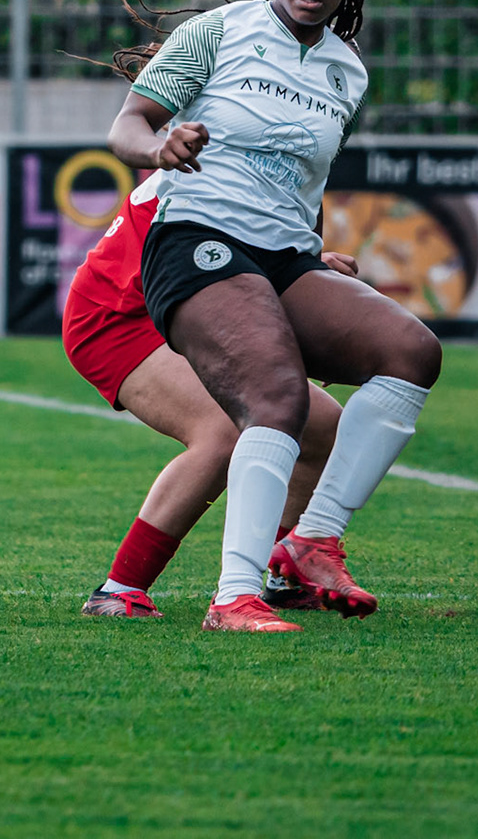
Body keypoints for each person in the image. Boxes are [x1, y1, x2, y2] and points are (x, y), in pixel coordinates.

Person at [106, 0, 443, 633]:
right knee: (278, 399)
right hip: (196, 240)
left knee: (412, 352)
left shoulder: (347, 73)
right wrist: (159, 147)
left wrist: (317, 252)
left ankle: (312, 540)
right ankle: (233, 598)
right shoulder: (218, 32)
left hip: (282, 256)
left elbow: (301, 186)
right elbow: (127, 126)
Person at [66, 167, 355, 619]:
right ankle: (119, 589)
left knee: (322, 427)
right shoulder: (225, 159)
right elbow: (214, 263)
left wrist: (313, 273)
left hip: (177, 301)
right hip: (118, 316)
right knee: (224, 429)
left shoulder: (279, 163)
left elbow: (253, 260)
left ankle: (283, 570)